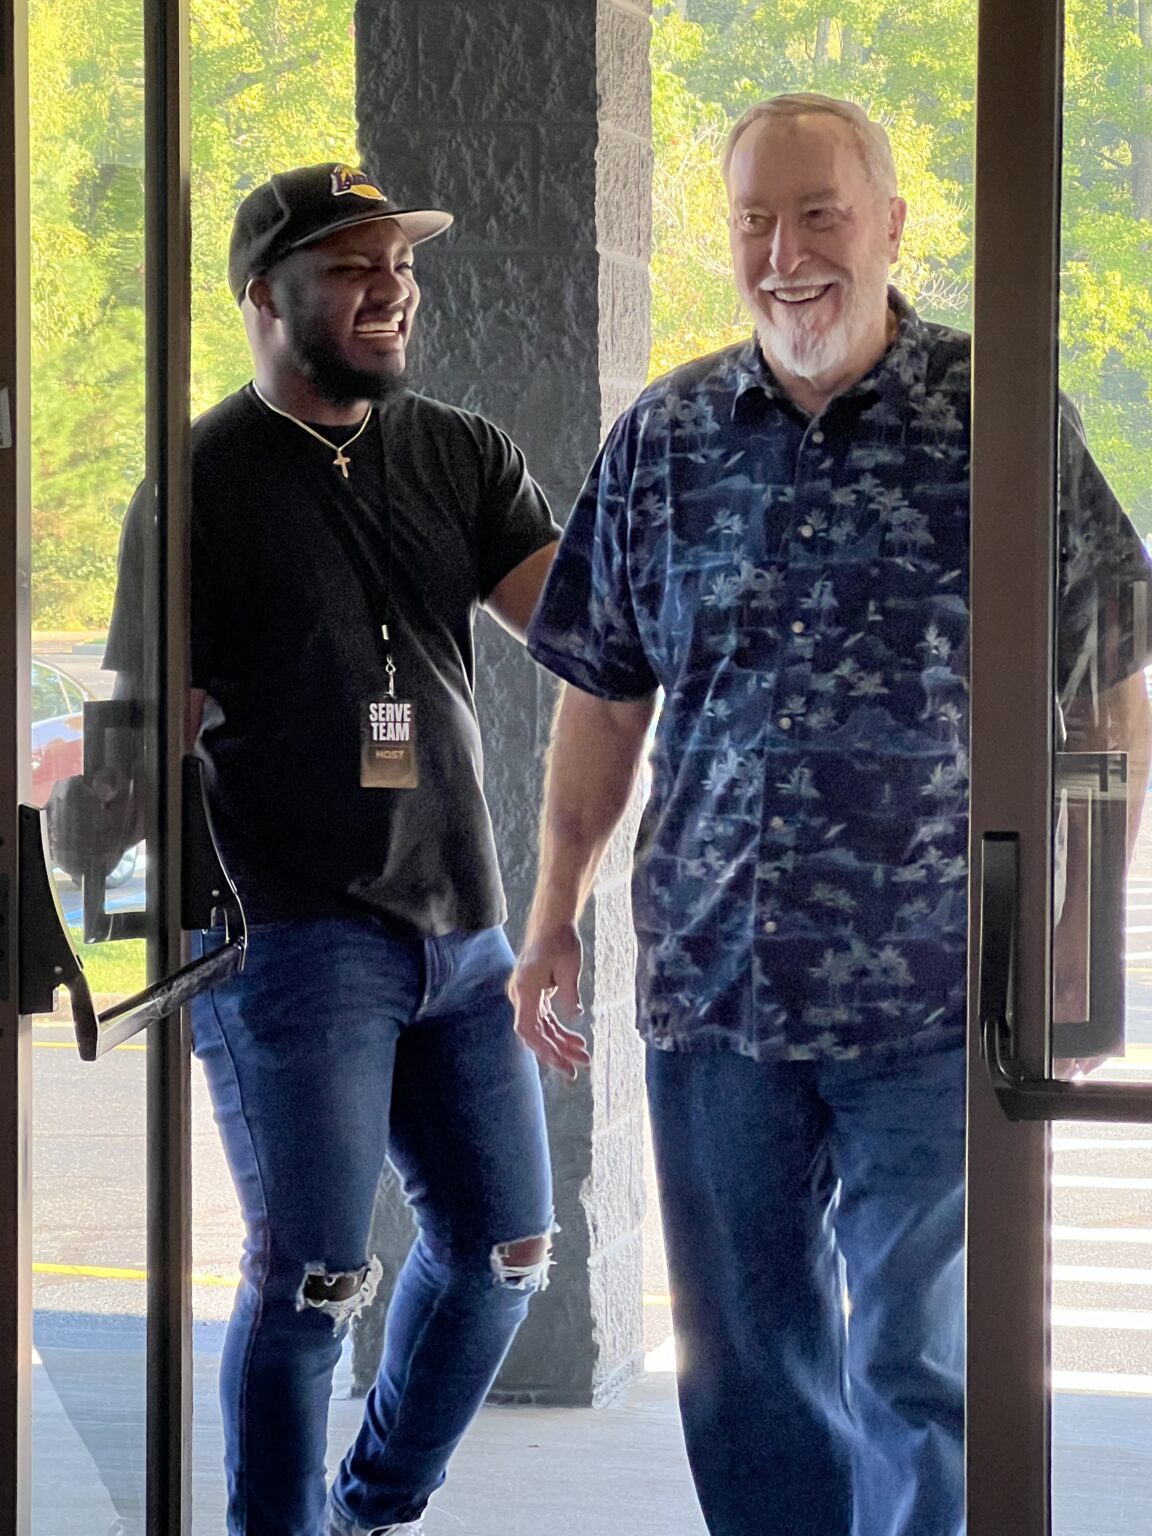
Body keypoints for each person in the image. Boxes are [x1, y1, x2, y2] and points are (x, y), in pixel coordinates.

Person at [510, 94, 1152, 1536]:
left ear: (892, 226)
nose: (787, 255)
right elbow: (603, 698)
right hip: (714, 993)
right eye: (757, 221)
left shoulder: (1002, 416)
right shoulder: (665, 436)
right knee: (748, 1371)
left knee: (921, 1364)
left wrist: (1077, 937)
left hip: (937, 998)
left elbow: (1110, 686)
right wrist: (551, 916)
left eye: (820, 216)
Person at [56, 162, 563, 1536]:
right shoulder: (196, 485)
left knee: (506, 1252)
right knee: (314, 1281)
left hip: (460, 923)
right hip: (290, 936)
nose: (392, 288)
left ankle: (369, 1510)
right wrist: (105, 829)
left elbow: (581, 626)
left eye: (400, 262)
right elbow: (139, 738)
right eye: (351, 267)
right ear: (264, 297)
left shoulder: (459, 451)